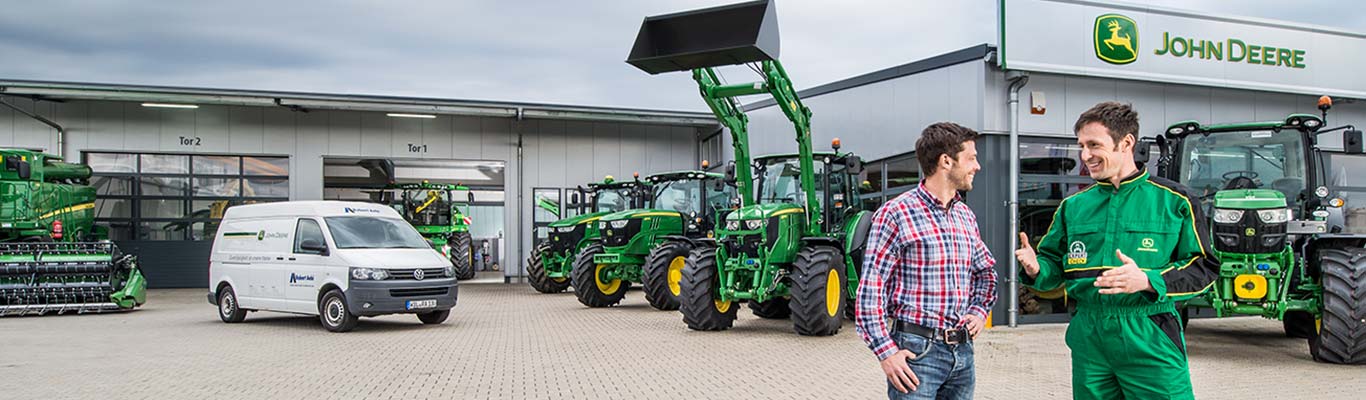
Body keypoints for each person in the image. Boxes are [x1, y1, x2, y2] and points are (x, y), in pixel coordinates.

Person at [1015, 102, 1219, 400]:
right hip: (1090, 336)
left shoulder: (1175, 201)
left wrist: (1149, 281)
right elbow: (1053, 265)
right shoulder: (1074, 207)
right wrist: (1036, 269)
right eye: (1082, 146)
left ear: (1126, 143)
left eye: (1094, 145)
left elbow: (1204, 267)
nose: (1085, 156)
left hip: (1149, 332)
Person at [856, 122, 998, 400]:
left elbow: (986, 272)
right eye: (971, 158)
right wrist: (886, 352)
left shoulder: (965, 216)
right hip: (917, 353)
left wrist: (980, 311)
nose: (977, 166)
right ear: (946, 161)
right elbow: (871, 289)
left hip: (963, 355)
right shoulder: (896, 213)